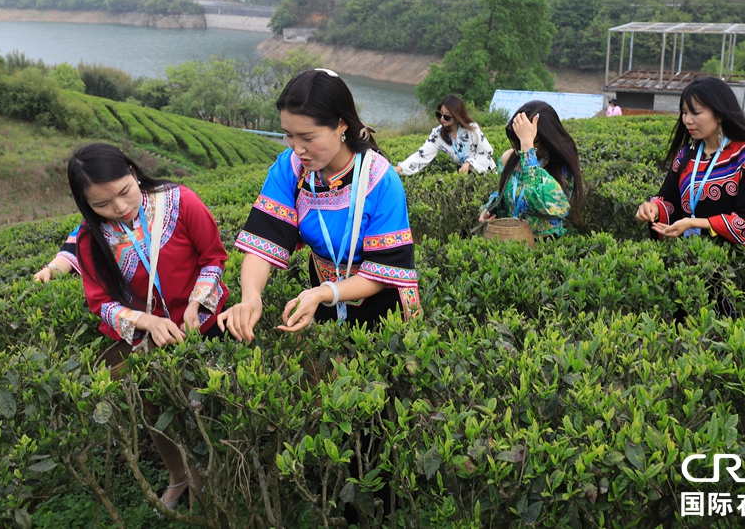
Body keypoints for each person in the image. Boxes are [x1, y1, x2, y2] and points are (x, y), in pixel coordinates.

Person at [69, 142, 230, 512]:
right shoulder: (91, 239)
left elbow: (214, 258)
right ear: (85, 204)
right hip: (147, 340)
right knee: (156, 414)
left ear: (133, 170)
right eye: (102, 205)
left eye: (125, 192)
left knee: (204, 411)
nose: (120, 208)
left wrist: (195, 303)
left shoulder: (181, 201)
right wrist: (148, 322)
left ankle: (213, 483)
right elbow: (101, 303)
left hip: (200, 328)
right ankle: (179, 478)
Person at [218, 68, 420, 344]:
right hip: (324, 297)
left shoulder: (379, 179)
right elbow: (264, 240)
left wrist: (326, 292)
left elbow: (384, 270)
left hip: (382, 304)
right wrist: (251, 297)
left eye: (308, 138)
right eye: (289, 135)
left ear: (341, 125)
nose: (297, 149)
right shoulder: (289, 168)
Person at [635, 76, 745, 257]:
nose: (687, 120)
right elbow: (670, 201)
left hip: (735, 267)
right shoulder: (685, 154)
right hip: (690, 262)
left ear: (720, 114)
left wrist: (696, 223)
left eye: (696, 113)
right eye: (684, 112)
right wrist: (654, 209)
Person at [478, 101, 584, 239]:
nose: (517, 147)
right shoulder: (510, 158)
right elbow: (505, 195)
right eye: (516, 139)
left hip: (545, 249)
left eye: (523, 140)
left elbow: (547, 204)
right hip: (509, 242)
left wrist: (528, 150)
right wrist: (490, 210)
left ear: (547, 139)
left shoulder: (562, 167)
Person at [394, 94, 495, 175]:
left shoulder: (472, 129)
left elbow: (487, 153)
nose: (442, 118)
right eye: (440, 114)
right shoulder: (438, 134)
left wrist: (469, 163)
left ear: (456, 115)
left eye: (446, 116)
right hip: (463, 175)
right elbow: (422, 156)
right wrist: (400, 168)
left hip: (486, 172)